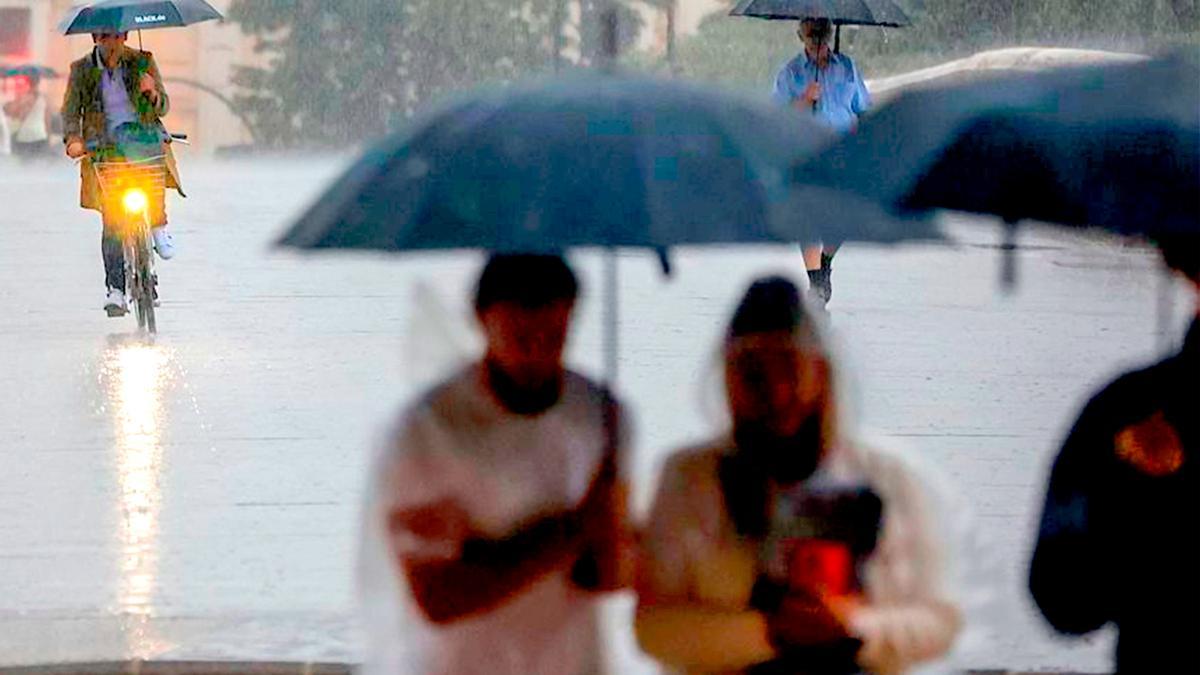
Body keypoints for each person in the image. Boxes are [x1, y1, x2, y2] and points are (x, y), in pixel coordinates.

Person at [636, 276, 960, 674]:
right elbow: (653, 626)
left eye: (788, 367)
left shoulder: (884, 476)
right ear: (728, 379)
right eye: (753, 372)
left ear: (820, 373)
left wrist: (853, 625)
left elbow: (939, 620)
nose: (775, 392)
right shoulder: (689, 478)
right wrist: (768, 631)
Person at [368, 253, 633, 675]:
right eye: (521, 336)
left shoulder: (602, 414)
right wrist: (570, 532)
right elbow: (439, 597)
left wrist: (611, 540)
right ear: (481, 320)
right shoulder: (428, 429)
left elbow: (601, 576)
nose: (537, 352)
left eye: (554, 335)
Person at [1029, 235, 1199, 673]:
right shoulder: (1134, 412)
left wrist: (1136, 500)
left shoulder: (1128, 409)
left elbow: (1066, 599)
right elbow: (1064, 598)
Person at [62, 31, 182, 316]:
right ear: (96, 39)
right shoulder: (82, 70)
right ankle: (115, 288)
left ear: (125, 36)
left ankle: (158, 227)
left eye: (117, 37)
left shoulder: (142, 62)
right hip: (104, 148)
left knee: (153, 182)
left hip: (143, 142)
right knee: (113, 219)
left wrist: (152, 91)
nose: (112, 43)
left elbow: (163, 106)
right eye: (105, 37)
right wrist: (73, 140)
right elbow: (70, 113)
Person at [772, 18, 871, 310]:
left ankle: (825, 260)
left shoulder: (848, 68)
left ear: (830, 34)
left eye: (822, 32)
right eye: (811, 33)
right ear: (801, 35)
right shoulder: (790, 73)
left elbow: (863, 109)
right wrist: (804, 99)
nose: (817, 38)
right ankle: (815, 281)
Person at [3, 73, 51, 159]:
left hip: (25, 136)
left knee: (25, 165)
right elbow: (47, 120)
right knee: (40, 165)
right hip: (40, 135)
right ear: (38, 83)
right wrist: (48, 137)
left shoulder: (25, 98)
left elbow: (20, 116)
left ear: (29, 83)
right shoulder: (45, 98)